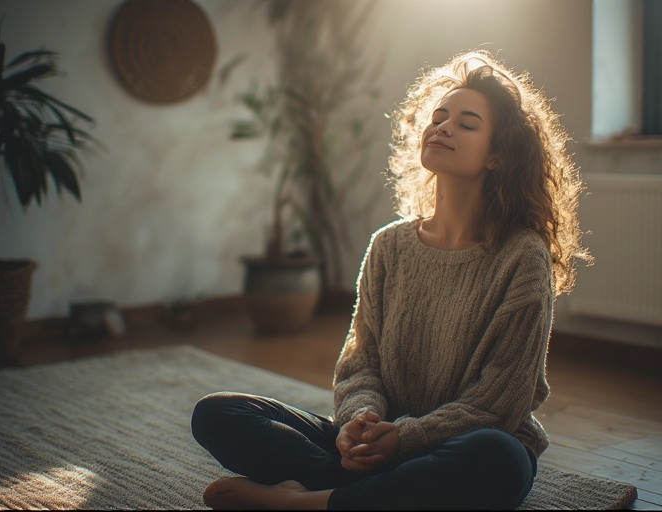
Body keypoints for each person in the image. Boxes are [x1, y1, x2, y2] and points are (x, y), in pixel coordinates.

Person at [190, 49, 590, 510]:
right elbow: (360, 363)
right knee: (219, 413)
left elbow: (499, 402)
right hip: (380, 444)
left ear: (499, 154)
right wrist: (361, 419)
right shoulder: (389, 245)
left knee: (498, 458)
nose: (442, 126)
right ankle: (369, 498)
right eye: (438, 117)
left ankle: (303, 504)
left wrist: (406, 438)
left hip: (457, 446)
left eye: (467, 122)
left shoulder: (522, 256)